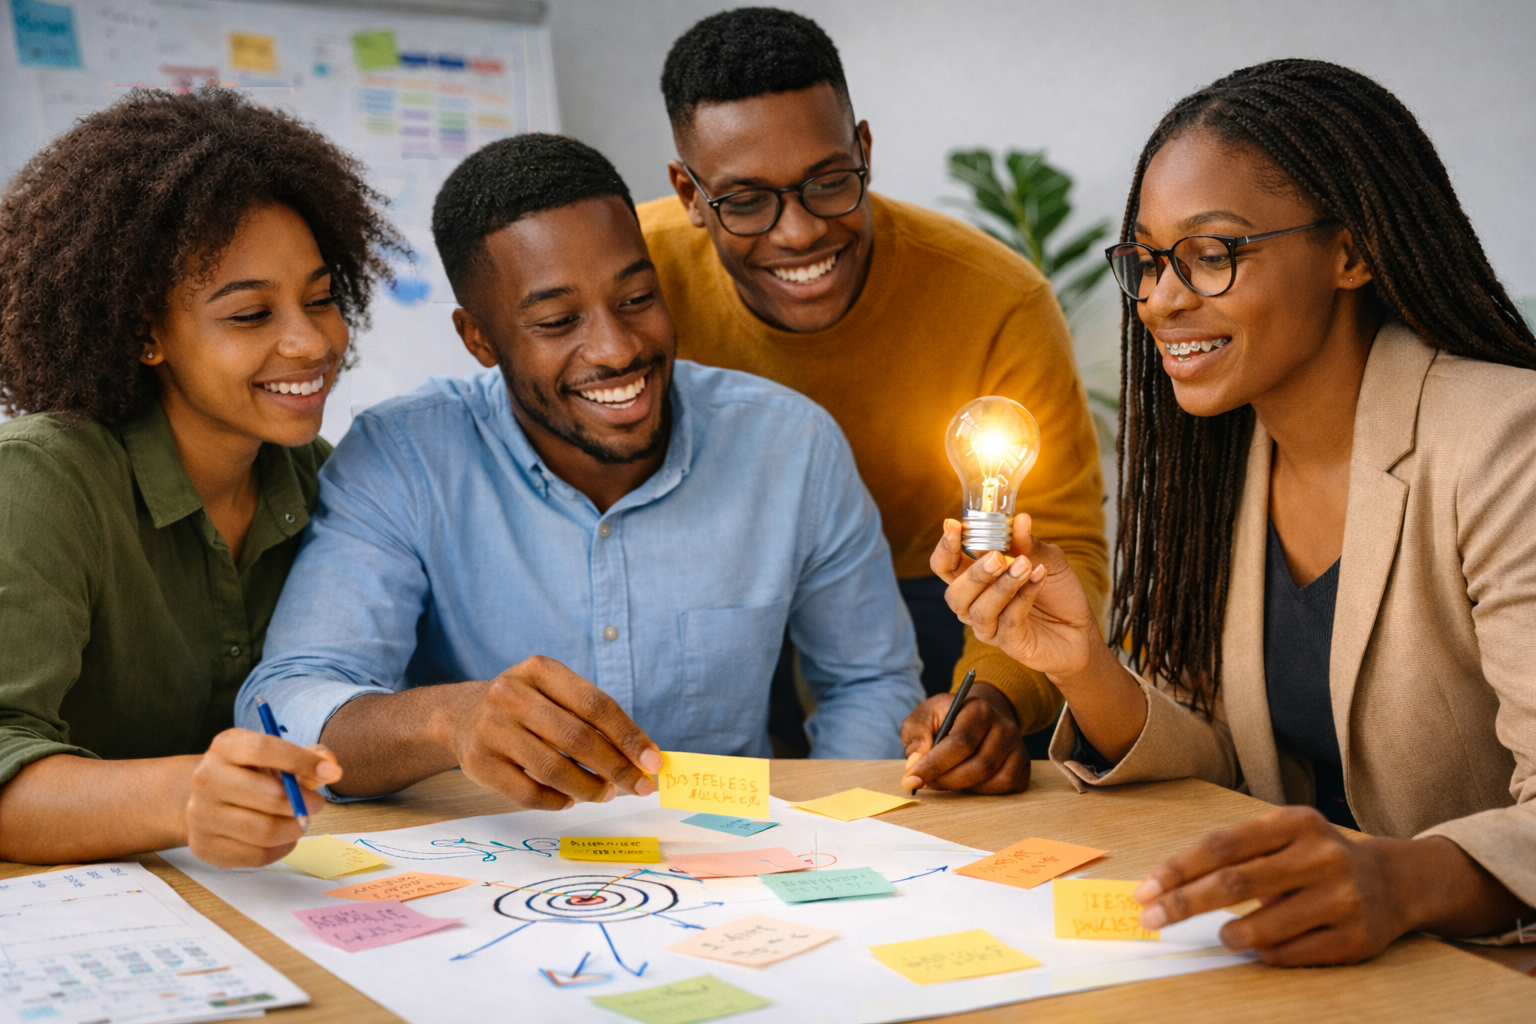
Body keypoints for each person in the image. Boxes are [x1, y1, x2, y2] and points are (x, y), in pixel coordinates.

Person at [927, 59, 1536, 963]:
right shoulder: (1224, 461)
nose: (1163, 299)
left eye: (1211, 254)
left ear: (1351, 251)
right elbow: (1235, 767)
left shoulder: (1502, 439)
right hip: (1294, 960)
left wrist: (1397, 879)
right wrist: (1079, 665)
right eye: (1147, 260)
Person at [236, 133, 923, 810]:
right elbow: (286, 702)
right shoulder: (403, 457)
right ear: (479, 339)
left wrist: (832, 829)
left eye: (636, 299)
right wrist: (451, 721)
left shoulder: (790, 445)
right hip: (500, 874)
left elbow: (870, 681)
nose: (618, 349)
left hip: (737, 865)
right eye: (559, 321)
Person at [642, 7, 1108, 787]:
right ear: (689, 192)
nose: (798, 235)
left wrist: (990, 691)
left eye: (828, 183)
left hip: (934, 597)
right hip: (713, 599)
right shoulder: (629, 286)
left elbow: (1064, 541)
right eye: (747, 201)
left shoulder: (996, 299)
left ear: (863, 150)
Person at [0, 89, 402, 866]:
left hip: (260, 903)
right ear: (145, 332)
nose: (309, 341)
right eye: (250, 316)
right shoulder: (41, 483)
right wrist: (189, 798)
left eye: (320, 299)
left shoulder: (327, 483)